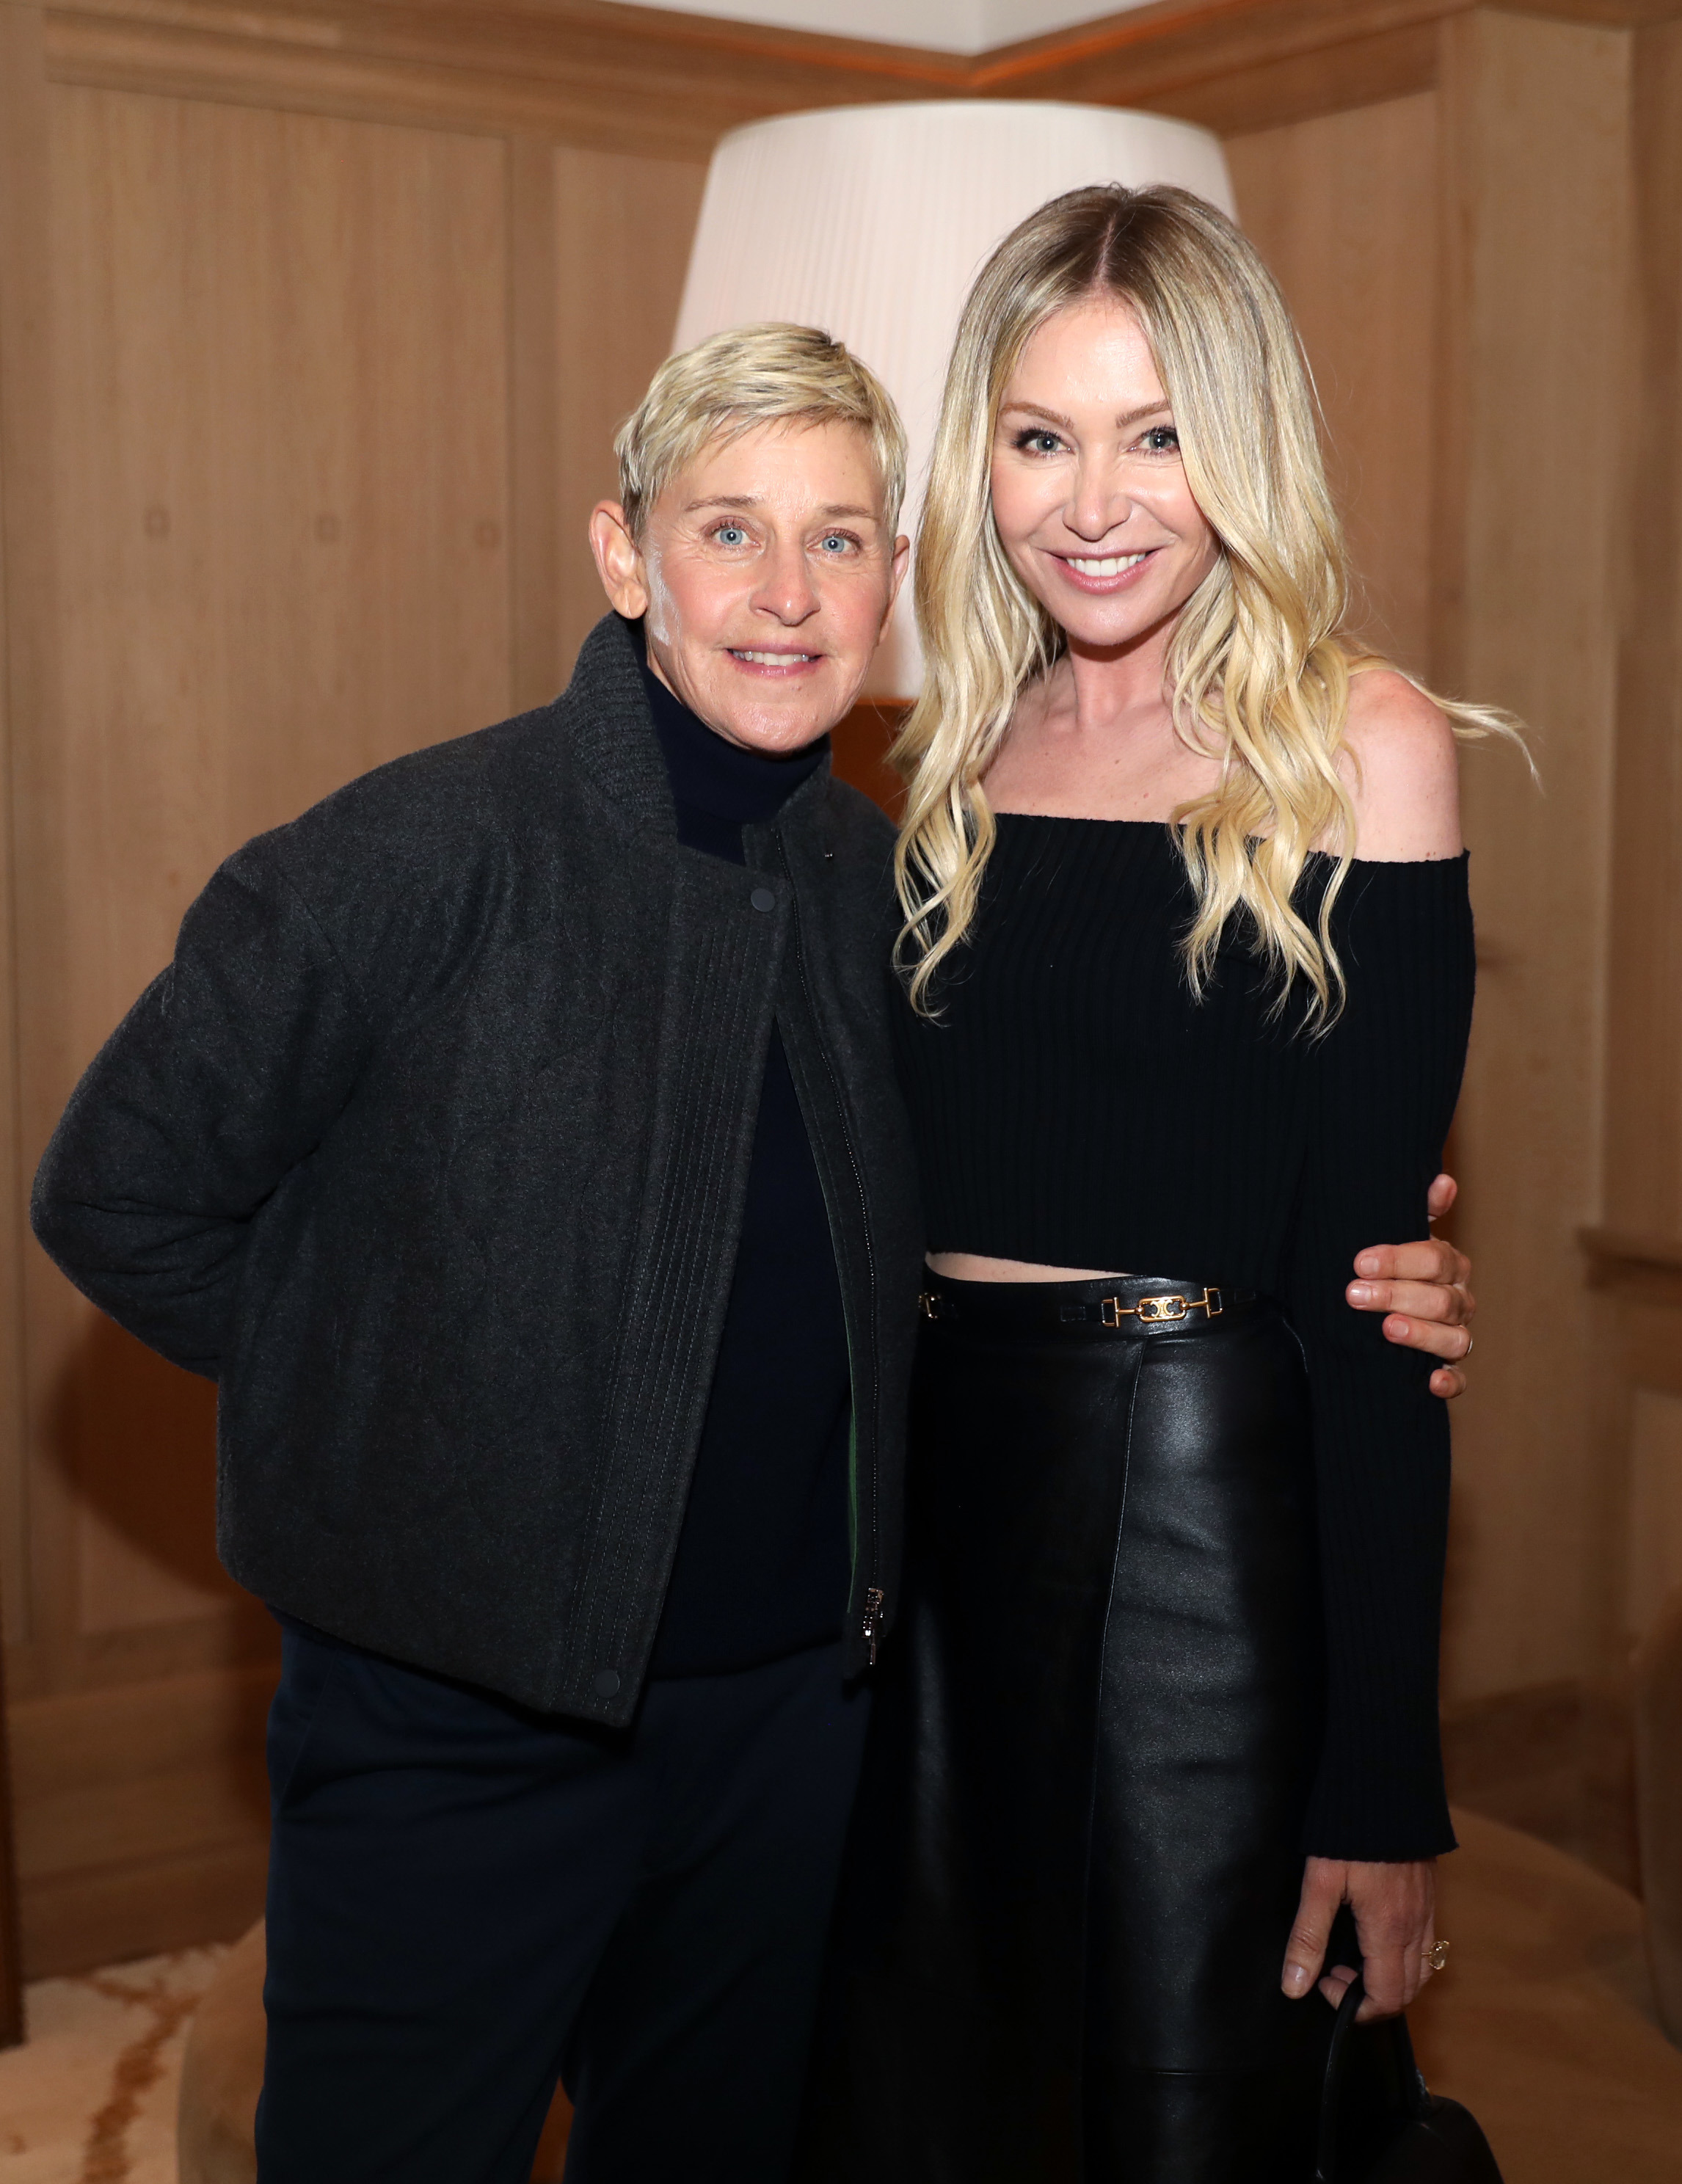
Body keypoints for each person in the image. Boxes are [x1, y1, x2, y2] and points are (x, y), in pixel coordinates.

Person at [31, 321, 1471, 2184]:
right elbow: (113, 1190)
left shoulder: (895, 882)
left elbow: (1077, 1162)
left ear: (898, 578)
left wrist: (1373, 1276)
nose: (788, 596)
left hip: (806, 1735)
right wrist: (415, 1418)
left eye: (845, 539)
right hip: (459, 1727)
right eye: (729, 533)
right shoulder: (416, 851)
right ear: (626, 557)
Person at [799, 186, 1507, 2184]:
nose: (1090, 498)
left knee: (1174, 2118)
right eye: (1039, 436)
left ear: (1243, 449)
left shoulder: (1355, 747)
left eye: (1156, 431)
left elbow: (1376, 1307)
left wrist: (1381, 1784)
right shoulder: (938, 756)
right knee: (914, 2098)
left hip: (1198, 1522)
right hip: (927, 1519)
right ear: (983, 457)